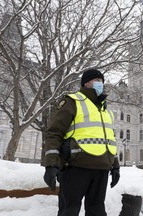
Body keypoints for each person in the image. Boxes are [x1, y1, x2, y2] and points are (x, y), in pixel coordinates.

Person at [43, 68, 120, 216]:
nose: (100, 84)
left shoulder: (106, 110)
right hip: (76, 167)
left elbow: (110, 140)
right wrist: (51, 164)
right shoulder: (72, 101)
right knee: (69, 210)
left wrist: (115, 166)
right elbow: (54, 132)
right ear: (85, 83)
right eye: (96, 81)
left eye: (102, 81)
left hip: (101, 169)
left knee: (97, 210)